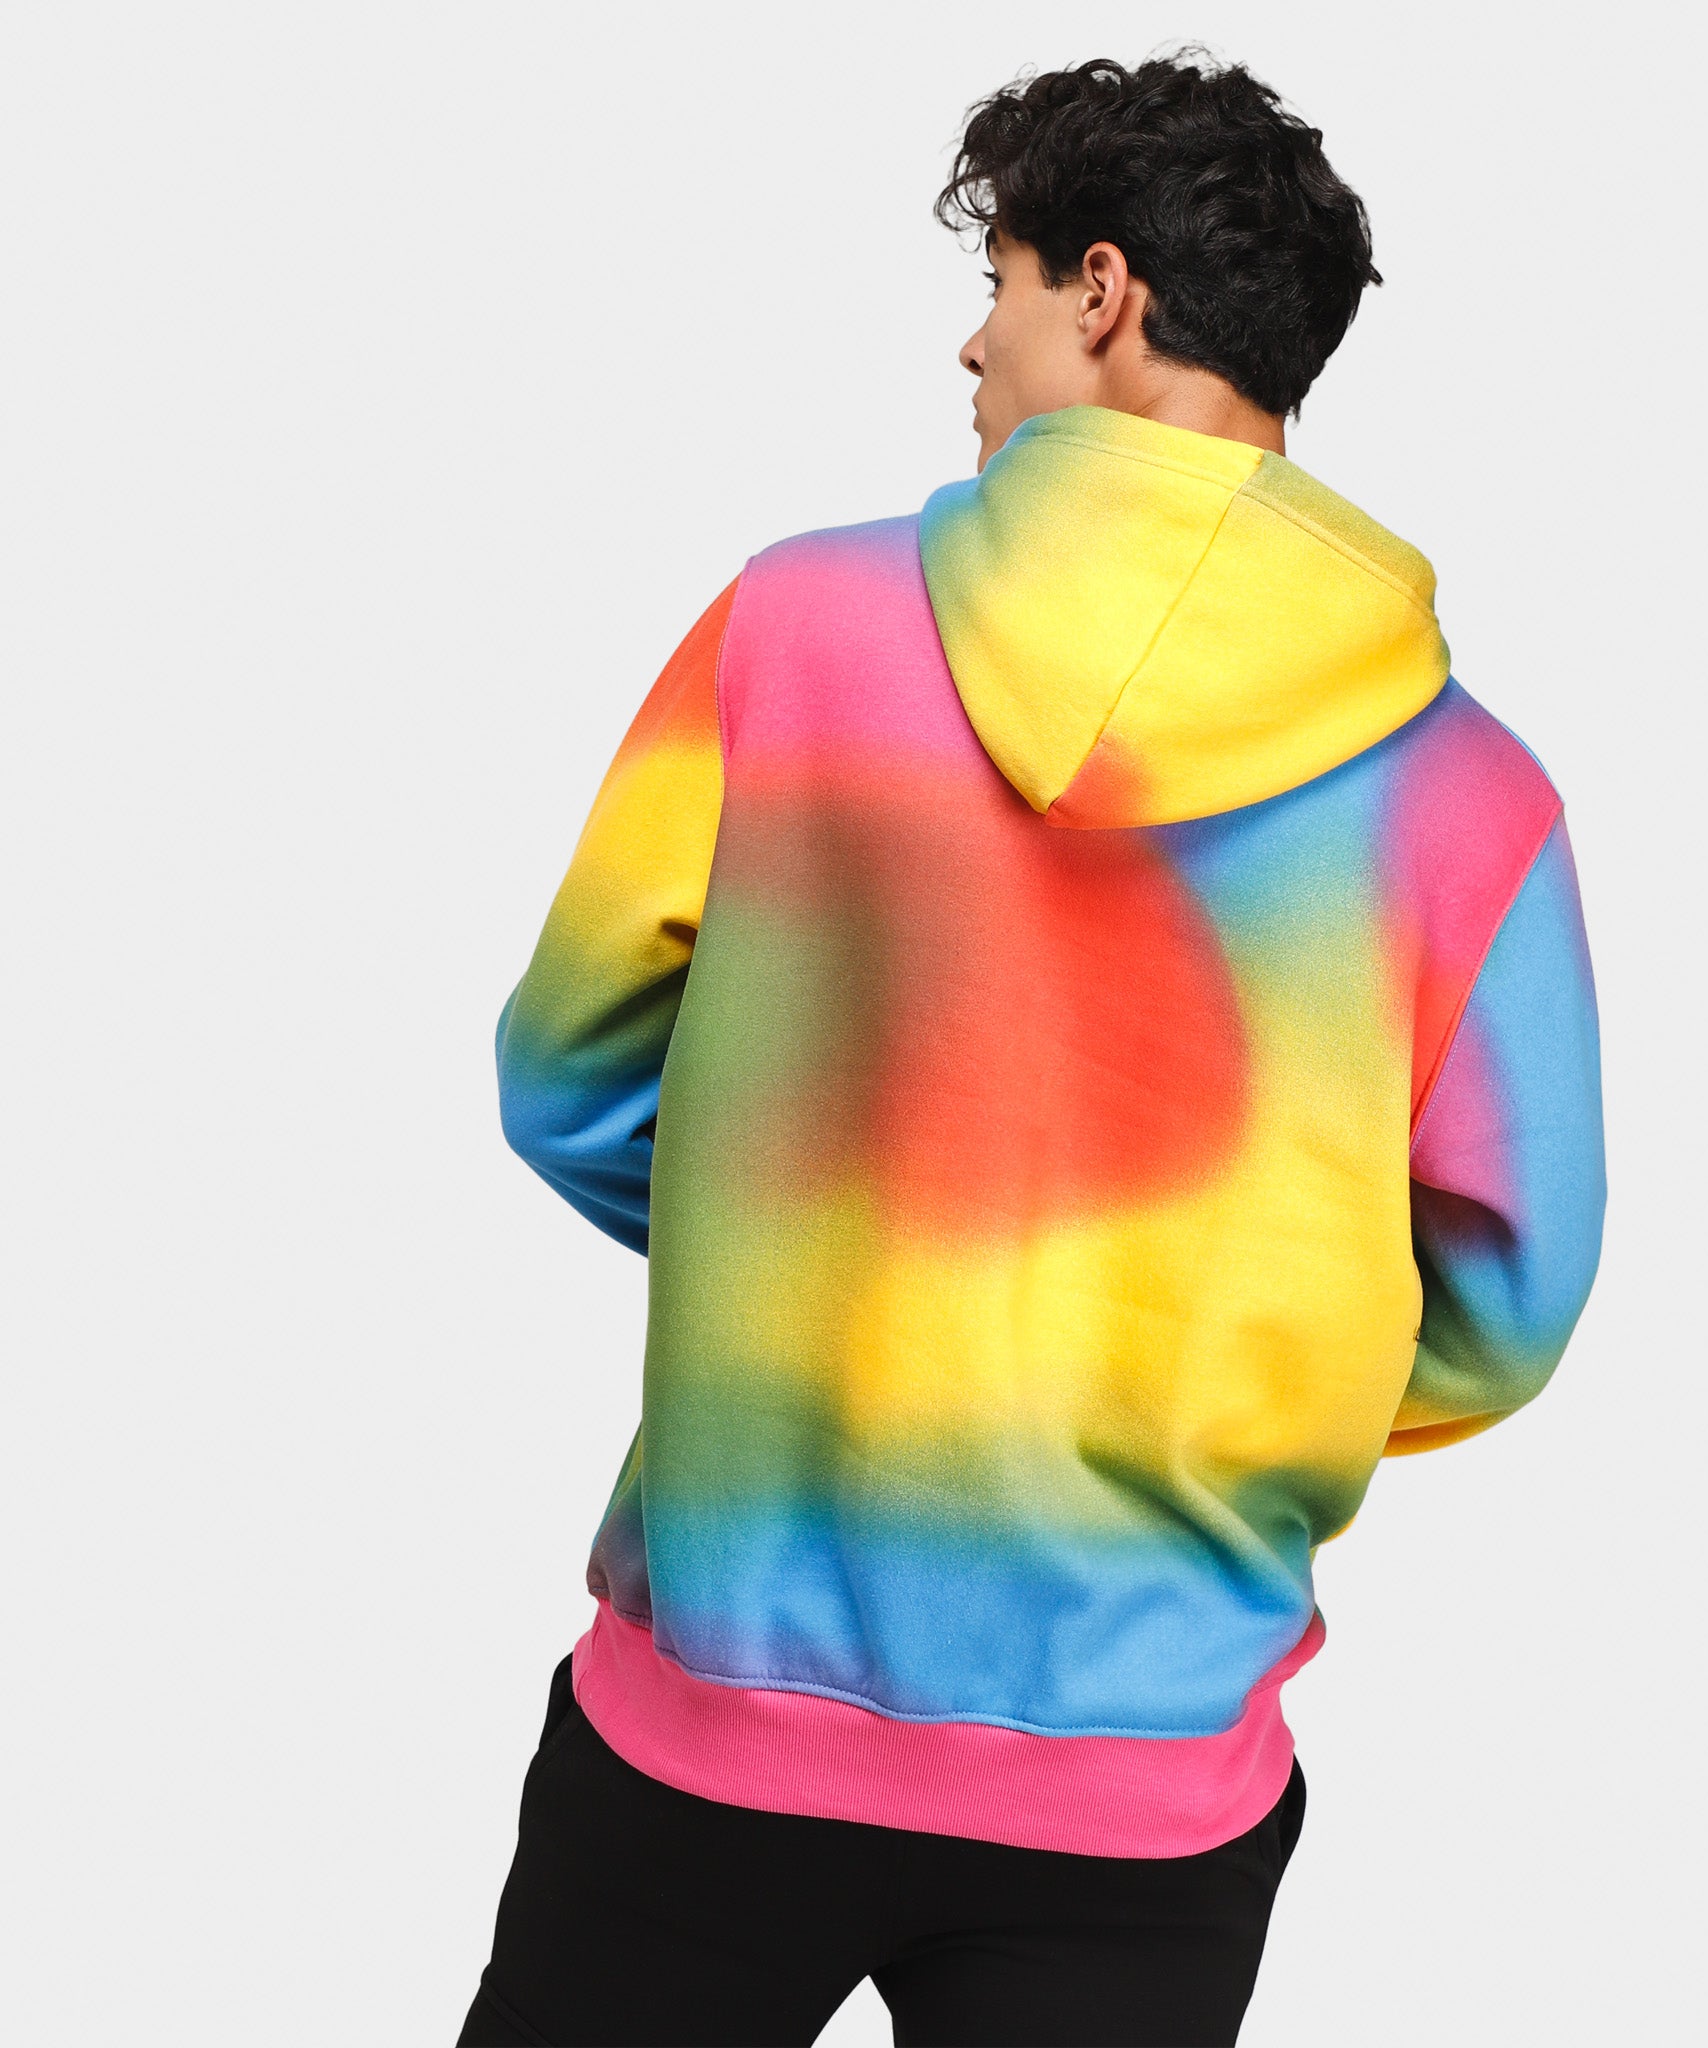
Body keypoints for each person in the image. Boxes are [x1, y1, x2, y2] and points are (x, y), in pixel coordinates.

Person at [460, 51, 1604, 2048]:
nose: (970, 344)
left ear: (1102, 291)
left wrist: (813, 1263)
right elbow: (1509, 1303)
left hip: (718, 1726)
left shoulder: (793, 630)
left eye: (994, 282)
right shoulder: (1467, 794)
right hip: (1141, 1771)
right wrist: (1185, 1359)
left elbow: (566, 1069)